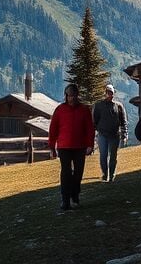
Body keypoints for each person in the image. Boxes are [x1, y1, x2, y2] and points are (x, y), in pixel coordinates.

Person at [47, 83, 95, 211]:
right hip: (64, 147)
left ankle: (75, 194)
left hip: (80, 147)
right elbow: (53, 129)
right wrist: (52, 147)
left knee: (78, 173)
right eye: (69, 96)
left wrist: (90, 145)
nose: (72, 98)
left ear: (77, 95)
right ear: (66, 96)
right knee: (66, 173)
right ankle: (65, 200)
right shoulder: (60, 110)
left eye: (74, 96)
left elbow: (90, 128)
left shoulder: (84, 110)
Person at [91, 84, 127, 182]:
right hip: (102, 135)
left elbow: (123, 121)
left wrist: (124, 134)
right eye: (107, 92)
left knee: (113, 156)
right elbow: (94, 121)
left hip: (115, 135)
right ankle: (104, 174)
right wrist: (94, 133)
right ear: (105, 93)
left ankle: (111, 175)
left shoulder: (118, 106)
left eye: (111, 92)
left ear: (113, 93)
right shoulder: (98, 106)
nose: (109, 94)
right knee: (103, 156)